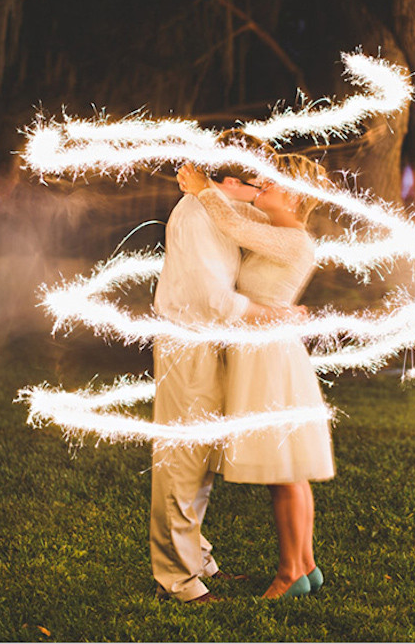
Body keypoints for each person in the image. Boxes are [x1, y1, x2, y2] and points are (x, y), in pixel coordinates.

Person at [150, 131, 301, 604]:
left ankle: (199, 561)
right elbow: (211, 299)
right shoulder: (195, 216)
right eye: (258, 183)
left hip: (217, 343)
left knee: (205, 462)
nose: (263, 192)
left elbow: (269, 221)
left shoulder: (222, 205)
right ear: (235, 178)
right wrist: (272, 314)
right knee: (182, 463)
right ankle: (178, 580)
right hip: (188, 342)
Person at [177, 153, 335, 599]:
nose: (263, 182)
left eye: (275, 180)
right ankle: (304, 565)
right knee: (290, 471)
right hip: (266, 353)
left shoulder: (295, 239)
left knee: (284, 472)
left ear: (297, 195)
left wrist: (201, 187)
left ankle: (289, 575)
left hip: (271, 360)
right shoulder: (280, 233)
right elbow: (240, 224)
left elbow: (236, 227)